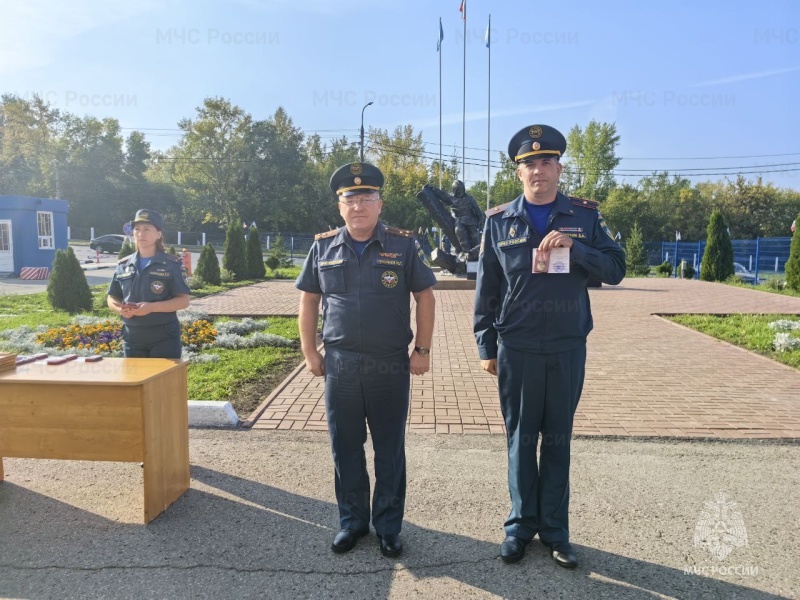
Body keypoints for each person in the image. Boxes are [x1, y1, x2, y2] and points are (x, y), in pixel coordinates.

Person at [474, 125, 626, 568]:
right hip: (516, 347)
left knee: (557, 441)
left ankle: (556, 532)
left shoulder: (586, 218)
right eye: (528, 164)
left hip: (565, 347)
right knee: (520, 440)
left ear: (559, 168)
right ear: (518, 173)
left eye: (545, 162)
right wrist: (486, 346)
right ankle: (520, 527)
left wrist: (577, 249)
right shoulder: (498, 221)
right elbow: (487, 287)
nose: (537, 170)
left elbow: (616, 269)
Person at [296, 162, 436, 558]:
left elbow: (425, 294)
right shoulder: (324, 246)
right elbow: (309, 300)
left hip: (390, 364)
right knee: (345, 446)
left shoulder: (403, 245)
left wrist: (421, 350)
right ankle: (352, 522)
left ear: (380, 203)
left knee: (389, 448)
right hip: (340, 364)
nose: (358, 206)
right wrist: (310, 351)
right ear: (340, 206)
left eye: (366, 198)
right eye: (350, 199)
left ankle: (389, 527)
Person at [107, 209, 191, 358]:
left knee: (163, 381)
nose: (141, 234)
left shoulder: (171, 264)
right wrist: (119, 309)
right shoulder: (124, 264)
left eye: (147, 229)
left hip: (163, 336)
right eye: (137, 229)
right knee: (135, 380)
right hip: (132, 336)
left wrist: (151, 308)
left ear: (158, 234)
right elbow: (112, 297)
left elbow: (183, 301)